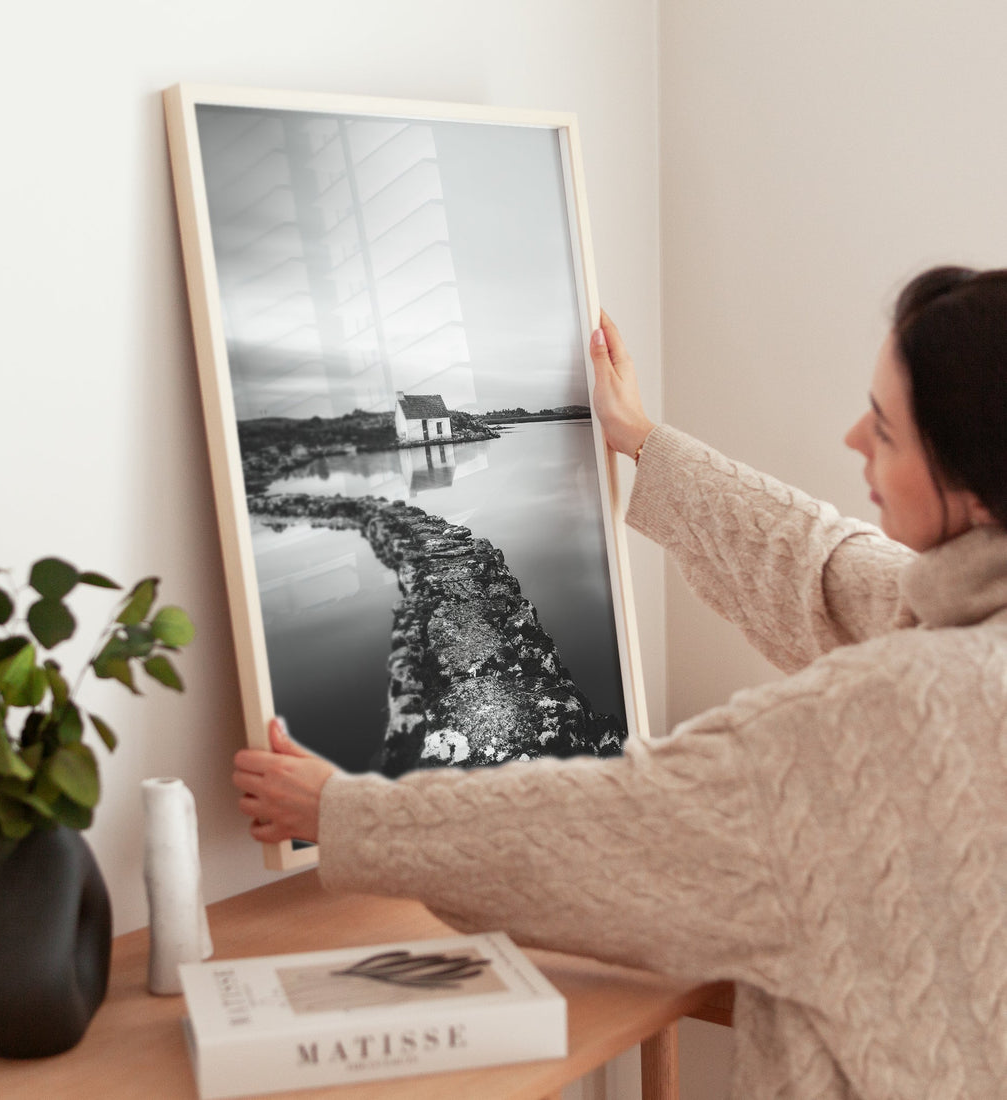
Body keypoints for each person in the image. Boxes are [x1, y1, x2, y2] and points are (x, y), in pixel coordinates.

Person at [232, 265, 1007, 1099]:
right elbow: (824, 567)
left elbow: (614, 827)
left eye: (886, 431)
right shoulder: (967, 622)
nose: (854, 438)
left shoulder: (887, 714)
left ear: (971, 487)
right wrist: (642, 440)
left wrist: (341, 813)